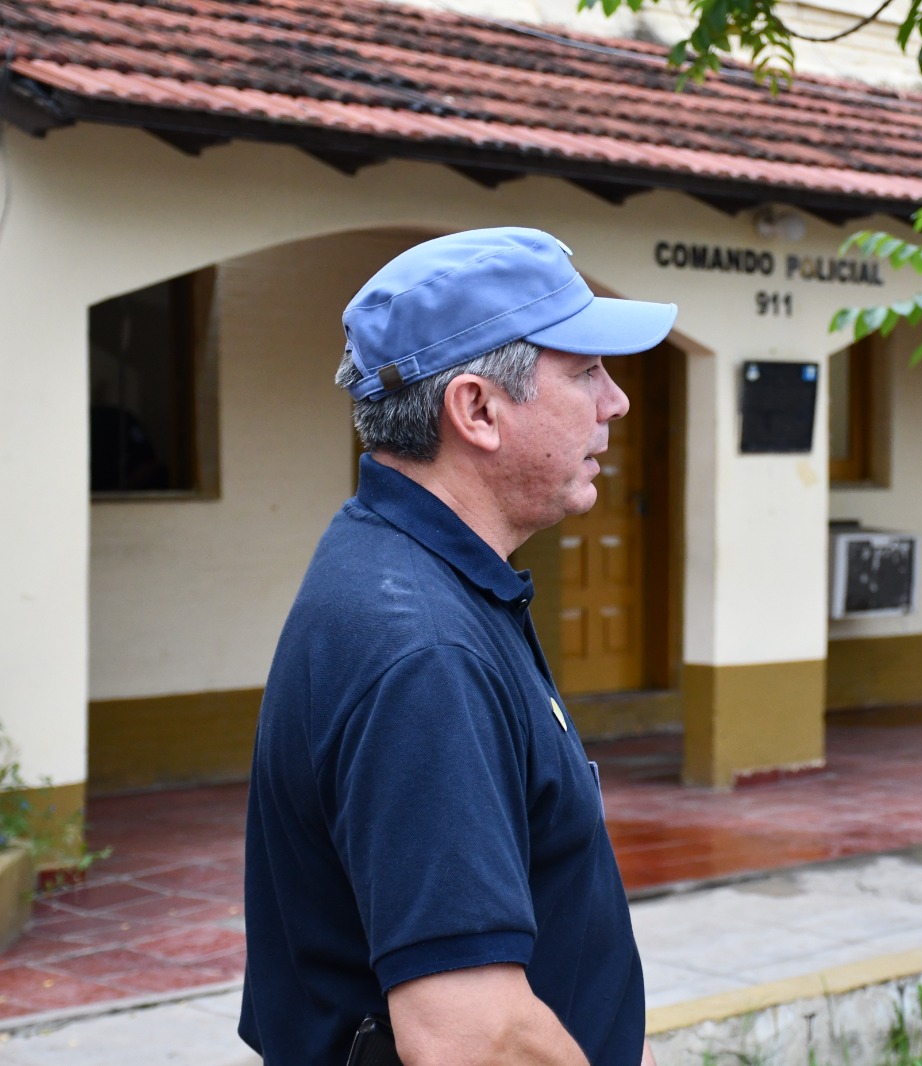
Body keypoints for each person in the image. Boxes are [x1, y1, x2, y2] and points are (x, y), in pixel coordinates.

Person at [239, 227, 677, 1066]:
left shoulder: (411, 571)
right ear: (476, 410)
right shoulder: (425, 651)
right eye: (586, 371)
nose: (616, 402)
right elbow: (472, 1037)